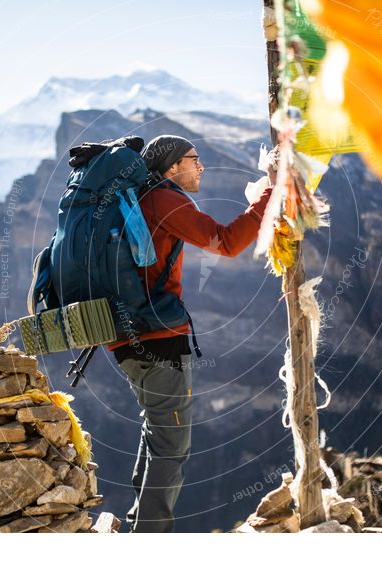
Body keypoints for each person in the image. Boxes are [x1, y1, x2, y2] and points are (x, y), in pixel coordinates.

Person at [107, 134, 274, 532]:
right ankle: (150, 544)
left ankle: (139, 525)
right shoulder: (164, 200)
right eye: (193, 159)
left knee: (157, 431)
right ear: (171, 167)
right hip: (159, 338)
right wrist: (269, 195)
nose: (201, 167)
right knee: (172, 447)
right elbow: (228, 242)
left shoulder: (136, 200)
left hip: (123, 337)